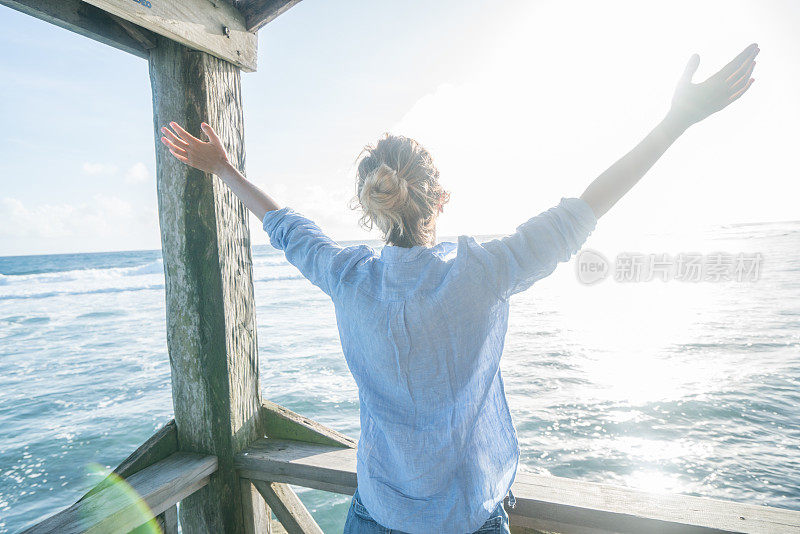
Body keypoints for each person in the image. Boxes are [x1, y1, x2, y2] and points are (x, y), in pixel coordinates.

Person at [160, 43, 758, 534]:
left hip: (380, 510)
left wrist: (222, 169)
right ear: (438, 199)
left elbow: (286, 227)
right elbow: (584, 210)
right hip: (467, 518)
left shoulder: (346, 277)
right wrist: (676, 120)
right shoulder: (483, 271)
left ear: (371, 210)